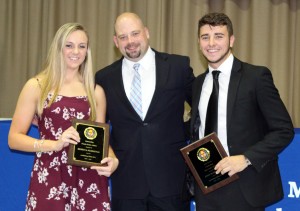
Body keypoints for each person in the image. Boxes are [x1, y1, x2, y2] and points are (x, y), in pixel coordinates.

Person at [190, 12, 294, 211]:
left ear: (231, 40)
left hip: (245, 185)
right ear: (199, 42)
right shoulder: (198, 84)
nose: (211, 43)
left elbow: (283, 130)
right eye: (205, 37)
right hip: (206, 188)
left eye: (218, 36)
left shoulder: (256, 77)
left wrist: (245, 158)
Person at [8, 23, 119, 211]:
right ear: (58, 47)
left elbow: (100, 139)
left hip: (89, 180)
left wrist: (112, 159)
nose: (76, 51)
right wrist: (54, 144)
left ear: (87, 51)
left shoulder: (95, 91)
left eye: (82, 46)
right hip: (50, 176)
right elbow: (13, 139)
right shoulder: (36, 86)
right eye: (69, 45)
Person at [95, 12, 195, 211]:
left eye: (135, 33)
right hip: (126, 183)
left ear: (147, 33)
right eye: (123, 37)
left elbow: (202, 108)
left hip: (171, 181)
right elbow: (97, 126)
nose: (130, 41)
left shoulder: (178, 66)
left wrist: (181, 132)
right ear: (116, 41)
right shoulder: (104, 77)